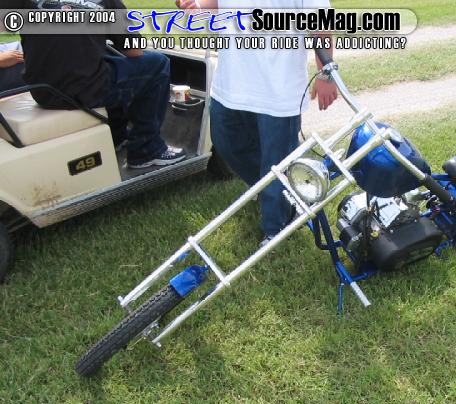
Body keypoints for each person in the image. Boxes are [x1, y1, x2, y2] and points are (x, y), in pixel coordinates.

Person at [176, 0, 338, 247]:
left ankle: (277, 227)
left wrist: (325, 73)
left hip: (279, 89)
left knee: (276, 161)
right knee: (226, 142)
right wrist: (194, 6)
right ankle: (278, 191)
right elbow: (213, 5)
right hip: (231, 84)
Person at [5, 0, 185, 169]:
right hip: (85, 90)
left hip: (43, 92)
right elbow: (134, 51)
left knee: (107, 64)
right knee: (157, 64)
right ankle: (146, 150)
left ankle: (116, 136)